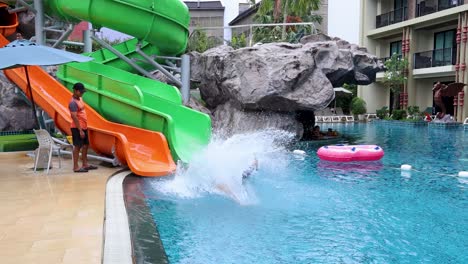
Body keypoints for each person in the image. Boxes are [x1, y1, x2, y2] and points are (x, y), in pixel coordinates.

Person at [69, 82, 97, 173]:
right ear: (75, 91)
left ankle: (85, 164)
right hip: (77, 128)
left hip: (84, 126)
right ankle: (75, 167)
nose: (82, 93)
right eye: (80, 92)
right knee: (77, 146)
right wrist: (80, 130)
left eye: (83, 92)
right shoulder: (72, 103)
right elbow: (74, 117)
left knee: (85, 145)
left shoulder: (80, 99)